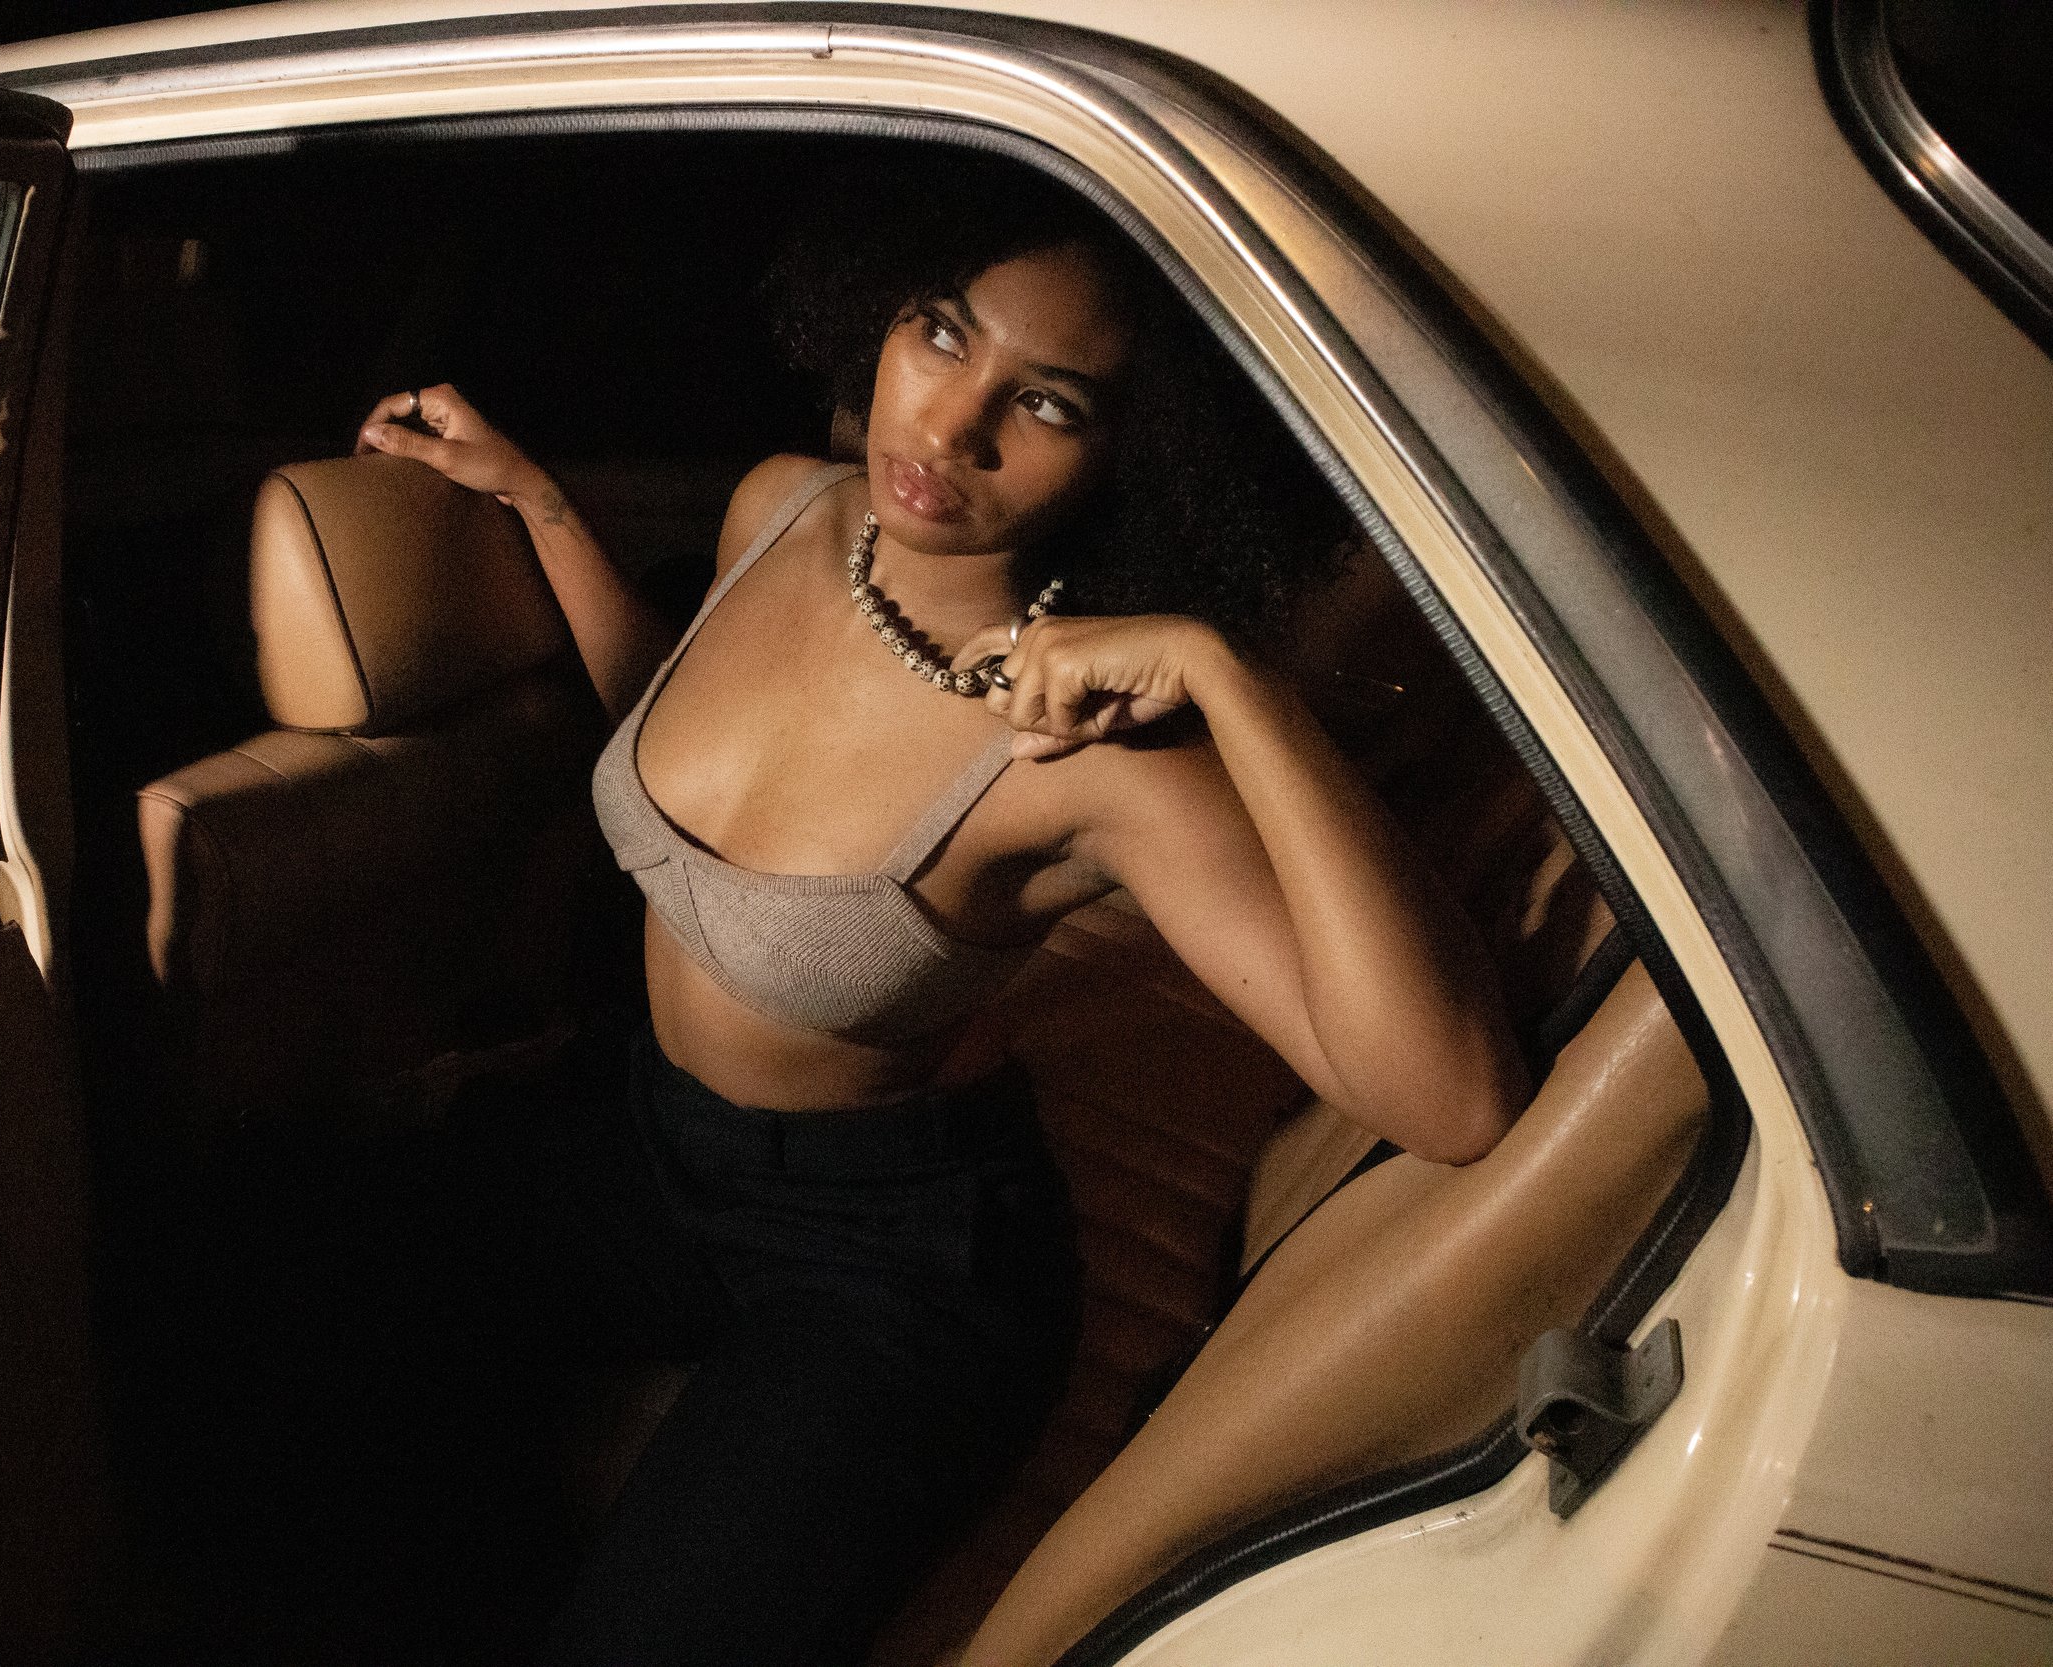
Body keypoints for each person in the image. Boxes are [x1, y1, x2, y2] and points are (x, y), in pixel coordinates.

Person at [352, 158, 1528, 1667]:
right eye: (944, 331)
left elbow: (1453, 1098)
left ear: (1138, 452)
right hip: (650, 1140)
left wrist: (1232, 682)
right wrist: (539, 501)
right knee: (295, 1287)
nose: (953, 427)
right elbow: (686, 731)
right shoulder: (785, 506)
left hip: (889, 1257)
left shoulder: (1095, 753)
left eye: (1048, 404)